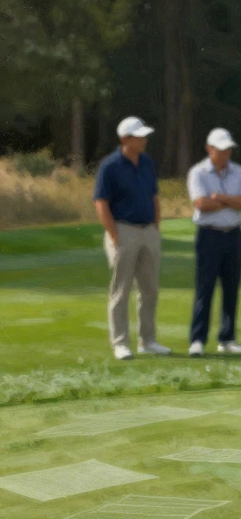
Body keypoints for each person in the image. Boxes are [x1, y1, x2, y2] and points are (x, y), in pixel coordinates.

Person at [93, 116, 170, 360]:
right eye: (140, 136)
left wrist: (156, 226)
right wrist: (114, 235)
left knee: (150, 290)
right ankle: (120, 342)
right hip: (123, 229)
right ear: (126, 139)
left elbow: (154, 196)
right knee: (121, 289)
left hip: (148, 231)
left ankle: (148, 341)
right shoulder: (110, 165)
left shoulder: (146, 162)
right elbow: (101, 203)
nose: (144, 139)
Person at [186, 128, 241, 356]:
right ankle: (197, 339)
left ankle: (227, 338)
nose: (225, 154)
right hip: (209, 234)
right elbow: (201, 204)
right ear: (209, 149)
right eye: (221, 150)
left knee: (231, 287)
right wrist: (231, 202)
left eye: (228, 150)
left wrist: (222, 198)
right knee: (205, 287)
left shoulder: (239, 172)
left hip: (233, 234)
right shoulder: (198, 172)